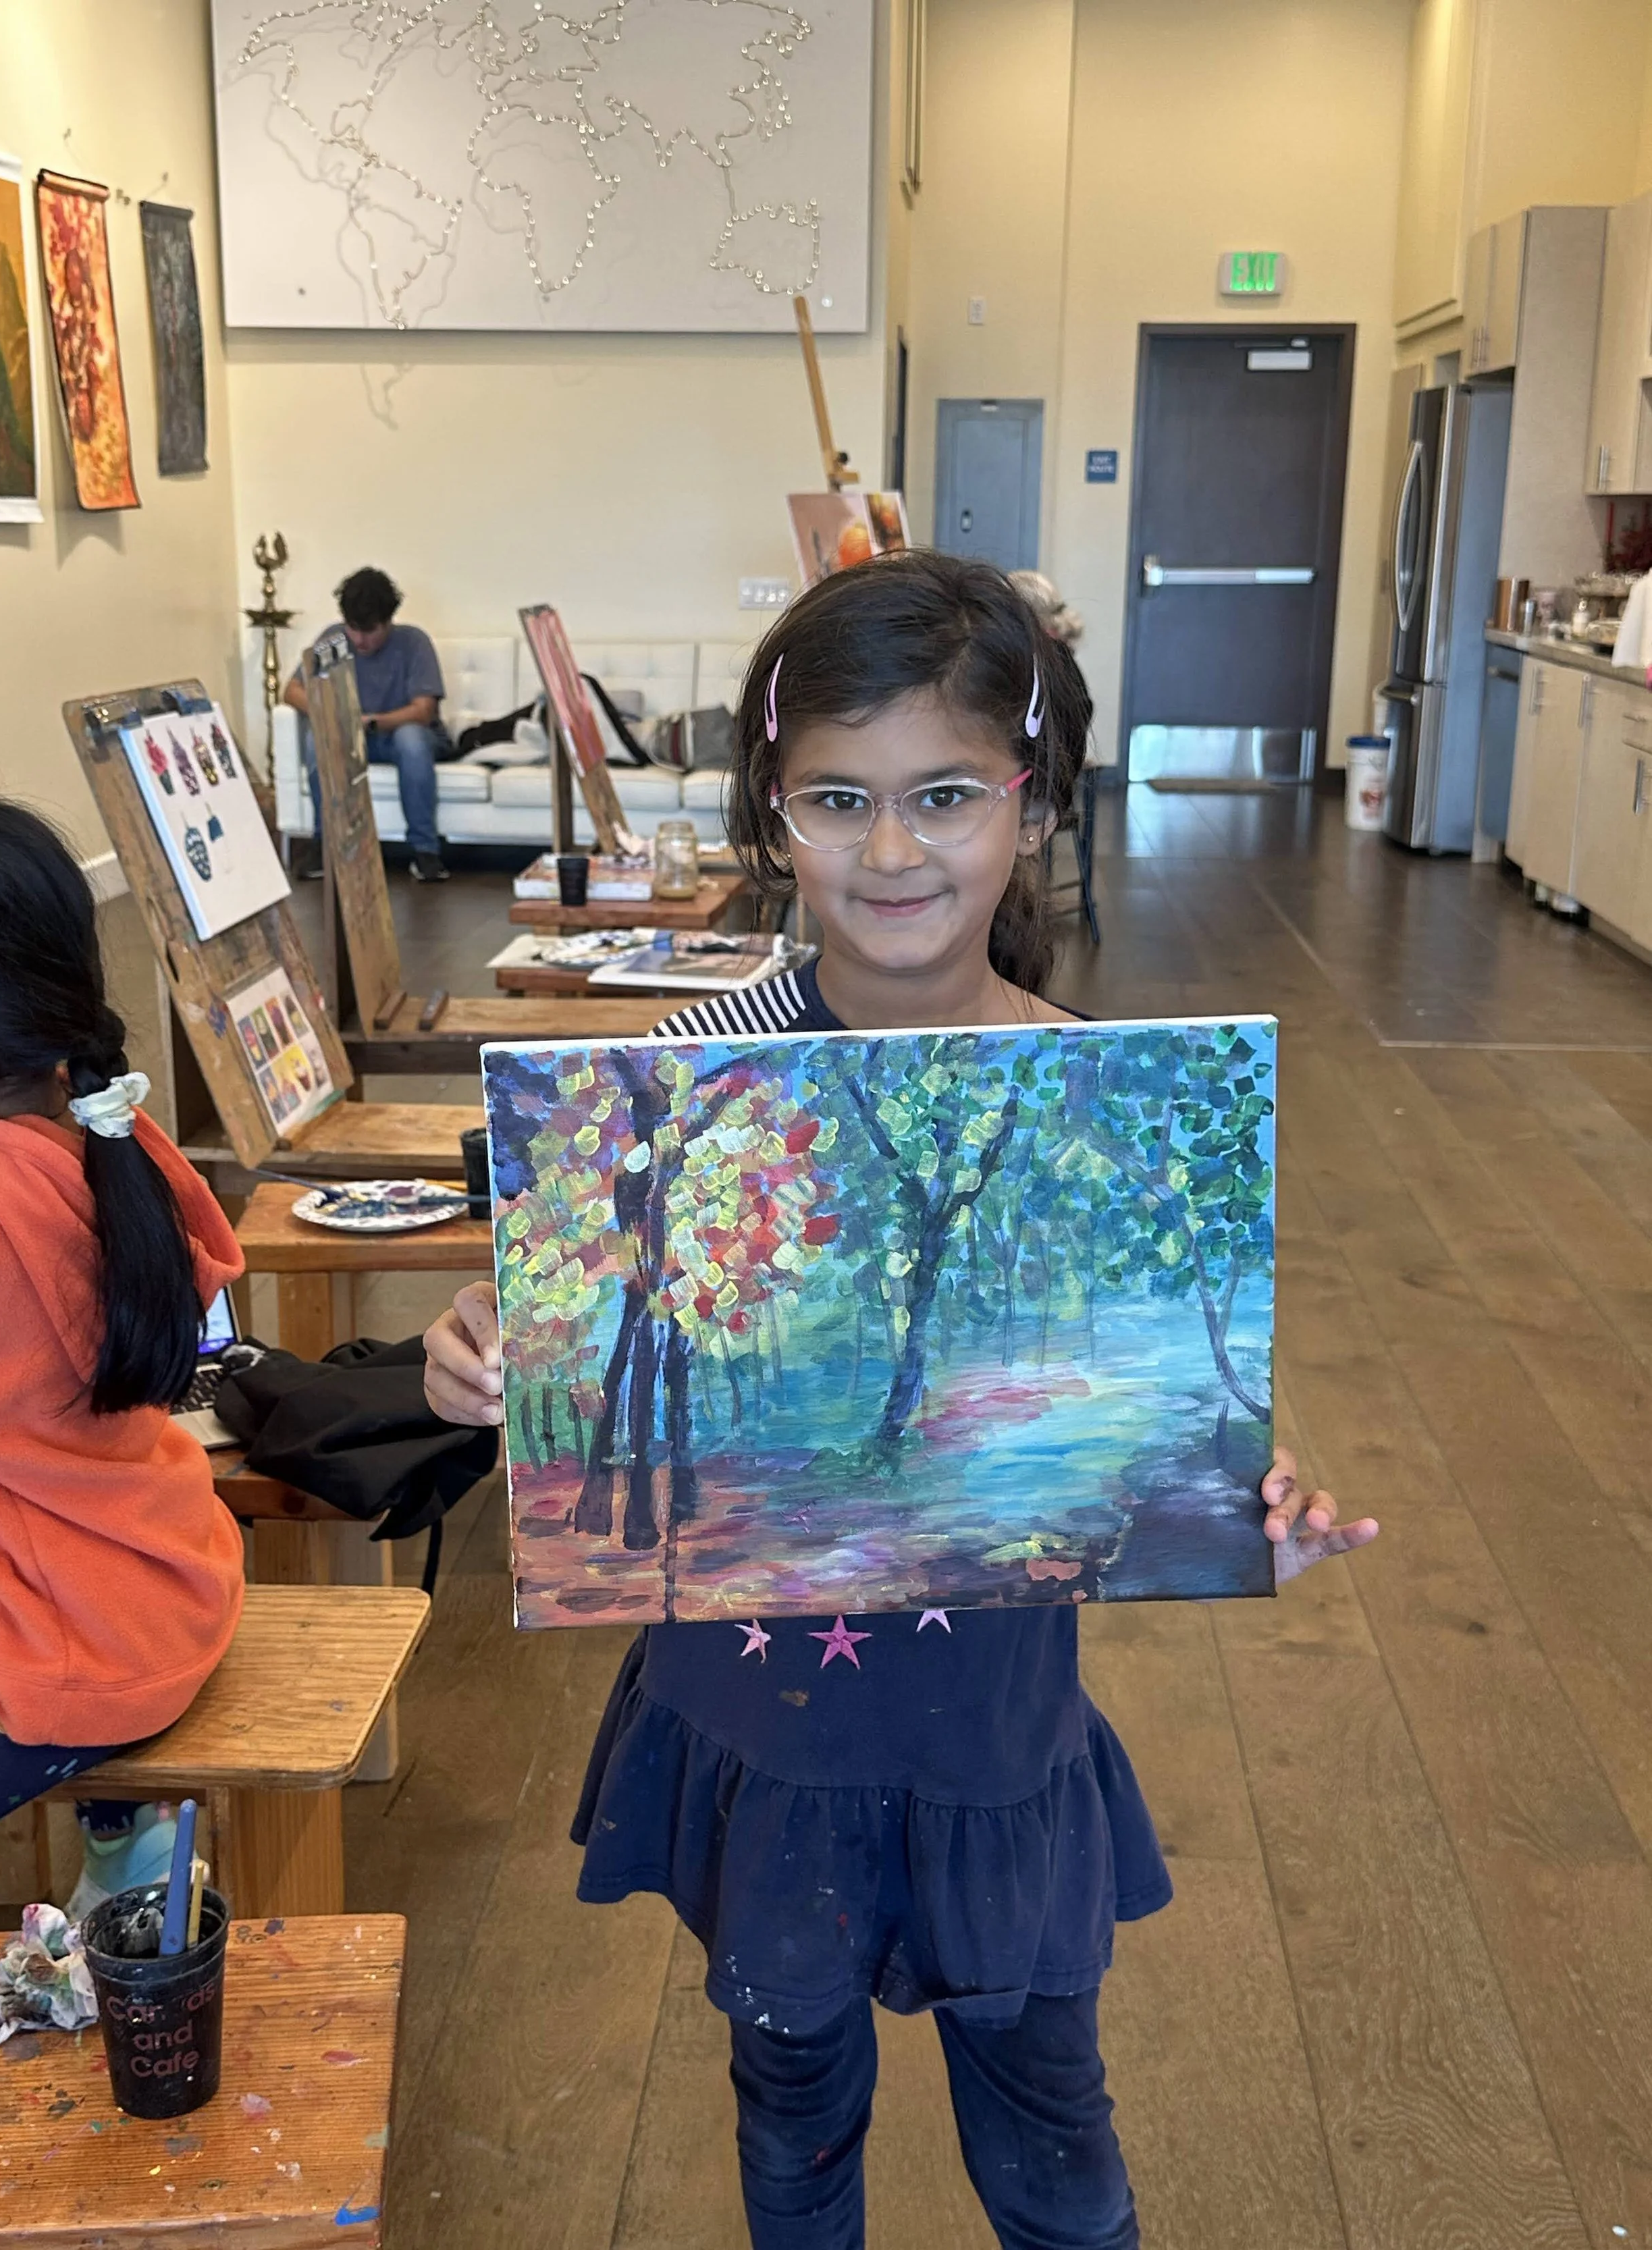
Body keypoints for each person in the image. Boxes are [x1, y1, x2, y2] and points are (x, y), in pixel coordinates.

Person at [422, 554, 1379, 2249]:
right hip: (755, 1725)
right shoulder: (685, 1077)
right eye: (836, 800)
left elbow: (1162, 1422)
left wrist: (1247, 1511)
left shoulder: (1103, 1098)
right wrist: (485, 1346)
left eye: (944, 795)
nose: (889, 850)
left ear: (1032, 799)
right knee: (789, 2103)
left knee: (1050, 2127)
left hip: (991, 1740)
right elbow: (555, 1306)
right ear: (774, 813)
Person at [0, 800, 246, 1902]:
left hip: (64, 1640)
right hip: (167, 1576)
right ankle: (124, 1850)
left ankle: (126, 1850)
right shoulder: (111, 1129)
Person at [284, 564, 453, 883]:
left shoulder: (413, 642)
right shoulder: (334, 639)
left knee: (412, 741)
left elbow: (423, 710)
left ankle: (425, 851)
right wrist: (330, 716)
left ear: (389, 621)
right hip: (353, 735)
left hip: (398, 735)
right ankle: (327, 844)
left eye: (370, 630)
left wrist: (371, 722)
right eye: (353, 628)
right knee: (314, 739)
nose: (359, 640)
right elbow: (292, 691)